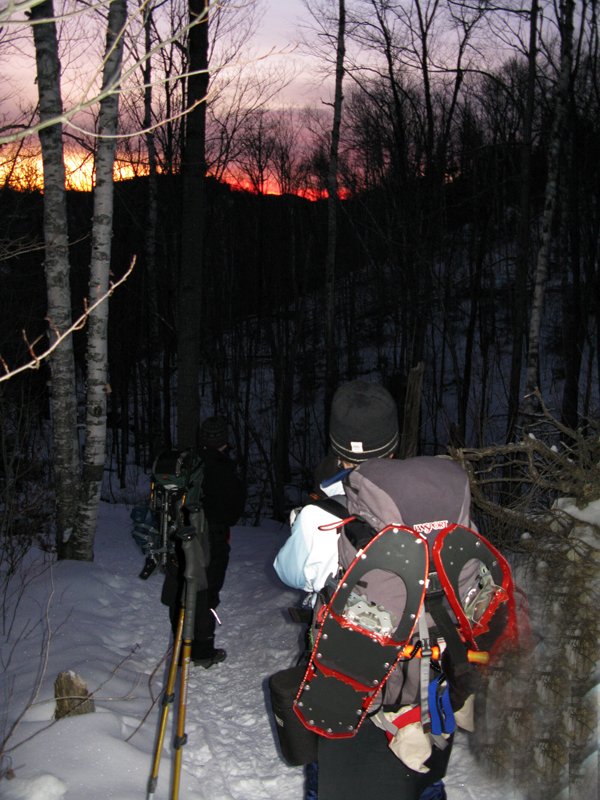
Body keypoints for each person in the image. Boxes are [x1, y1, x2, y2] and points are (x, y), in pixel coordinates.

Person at [273, 380, 475, 800]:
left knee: (331, 779)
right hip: (430, 674)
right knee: (423, 781)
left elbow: (291, 573)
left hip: (354, 677)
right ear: (394, 442)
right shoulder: (438, 498)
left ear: (336, 445)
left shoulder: (321, 514)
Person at [162, 416, 245, 668]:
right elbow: (233, 513)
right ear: (224, 441)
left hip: (181, 535)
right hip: (211, 540)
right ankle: (201, 650)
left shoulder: (188, 462)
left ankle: (180, 648)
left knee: (181, 587)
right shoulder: (224, 468)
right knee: (206, 592)